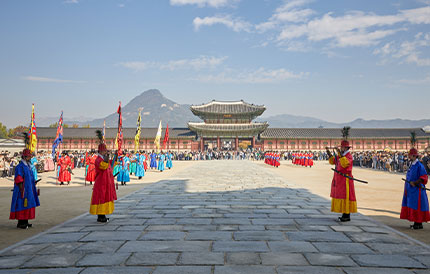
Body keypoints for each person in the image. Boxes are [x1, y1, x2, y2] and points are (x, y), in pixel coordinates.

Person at [327, 138, 357, 222]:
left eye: (342, 147)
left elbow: (345, 164)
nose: (341, 149)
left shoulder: (348, 156)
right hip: (339, 179)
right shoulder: (341, 155)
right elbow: (333, 162)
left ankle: (346, 215)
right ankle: (344, 213)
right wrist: (329, 154)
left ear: (346, 148)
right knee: (340, 195)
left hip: (345, 179)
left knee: (346, 196)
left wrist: (340, 155)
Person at [10, 148, 40, 229]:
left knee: (28, 205)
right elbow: (18, 178)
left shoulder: (28, 166)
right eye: (29, 157)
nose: (30, 158)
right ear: (25, 157)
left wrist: (33, 182)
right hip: (22, 189)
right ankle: (21, 223)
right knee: (22, 205)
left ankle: (26, 221)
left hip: (29, 189)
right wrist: (21, 189)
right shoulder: (20, 166)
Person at [400, 148, 429, 229]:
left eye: (410, 155)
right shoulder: (411, 164)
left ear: (414, 156)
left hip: (417, 190)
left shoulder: (419, 165)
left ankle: (418, 223)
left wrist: (415, 182)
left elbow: (424, 177)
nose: (409, 157)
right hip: (411, 190)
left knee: (418, 206)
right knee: (412, 205)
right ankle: (417, 223)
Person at [89, 143, 117, 223]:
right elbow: (103, 166)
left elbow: (110, 164)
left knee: (105, 196)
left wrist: (116, 157)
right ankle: (101, 216)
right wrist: (107, 158)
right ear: (100, 151)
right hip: (101, 181)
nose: (105, 152)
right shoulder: (98, 159)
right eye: (104, 150)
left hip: (106, 181)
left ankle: (103, 215)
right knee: (101, 197)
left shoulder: (103, 158)